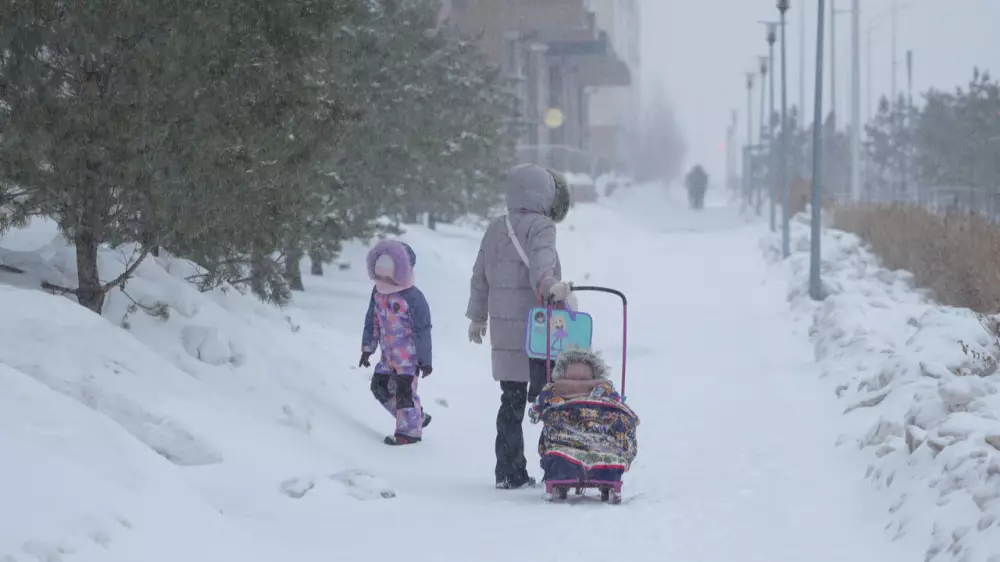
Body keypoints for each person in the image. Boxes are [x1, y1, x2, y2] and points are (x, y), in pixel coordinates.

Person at [466, 162, 574, 490]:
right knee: (551, 400)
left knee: (511, 402)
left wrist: (477, 317)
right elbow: (541, 266)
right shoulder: (542, 226)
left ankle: (508, 472)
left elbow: (479, 275)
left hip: (503, 331)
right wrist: (550, 287)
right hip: (538, 330)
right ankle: (555, 468)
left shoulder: (496, 227)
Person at [528, 348, 639, 485]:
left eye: (584, 381)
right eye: (572, 380)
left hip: (566, 442)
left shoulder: (553, 391)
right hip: (598, 442)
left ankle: (564, 462)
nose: (577, 386)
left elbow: (533, 414)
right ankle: (606, 463)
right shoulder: (604, 390)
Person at [360, 238, 433, 446]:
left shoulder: (413, 298)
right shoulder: (378, 294)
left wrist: (425, 359)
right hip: (387, 357)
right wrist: (367, 348)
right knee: (379, 387)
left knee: (404, 394)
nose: (384, 280)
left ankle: (409, 433)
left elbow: (423, 330)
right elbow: (371, 320)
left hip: (408, 360)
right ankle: (415, 417)